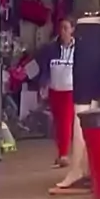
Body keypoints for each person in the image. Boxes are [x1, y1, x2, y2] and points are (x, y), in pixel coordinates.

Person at [38, 16, 76, 168]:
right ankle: (61, 152)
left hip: (70, 90)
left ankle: (64, 154)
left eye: (66, 28)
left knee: (66, 122)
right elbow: (45, 68)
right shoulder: (51, 48)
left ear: (72, 30)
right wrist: (43, 84)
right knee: (57, 123)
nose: (63, 32)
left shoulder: (78, 48)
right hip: (55, 89)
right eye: (61, 28)